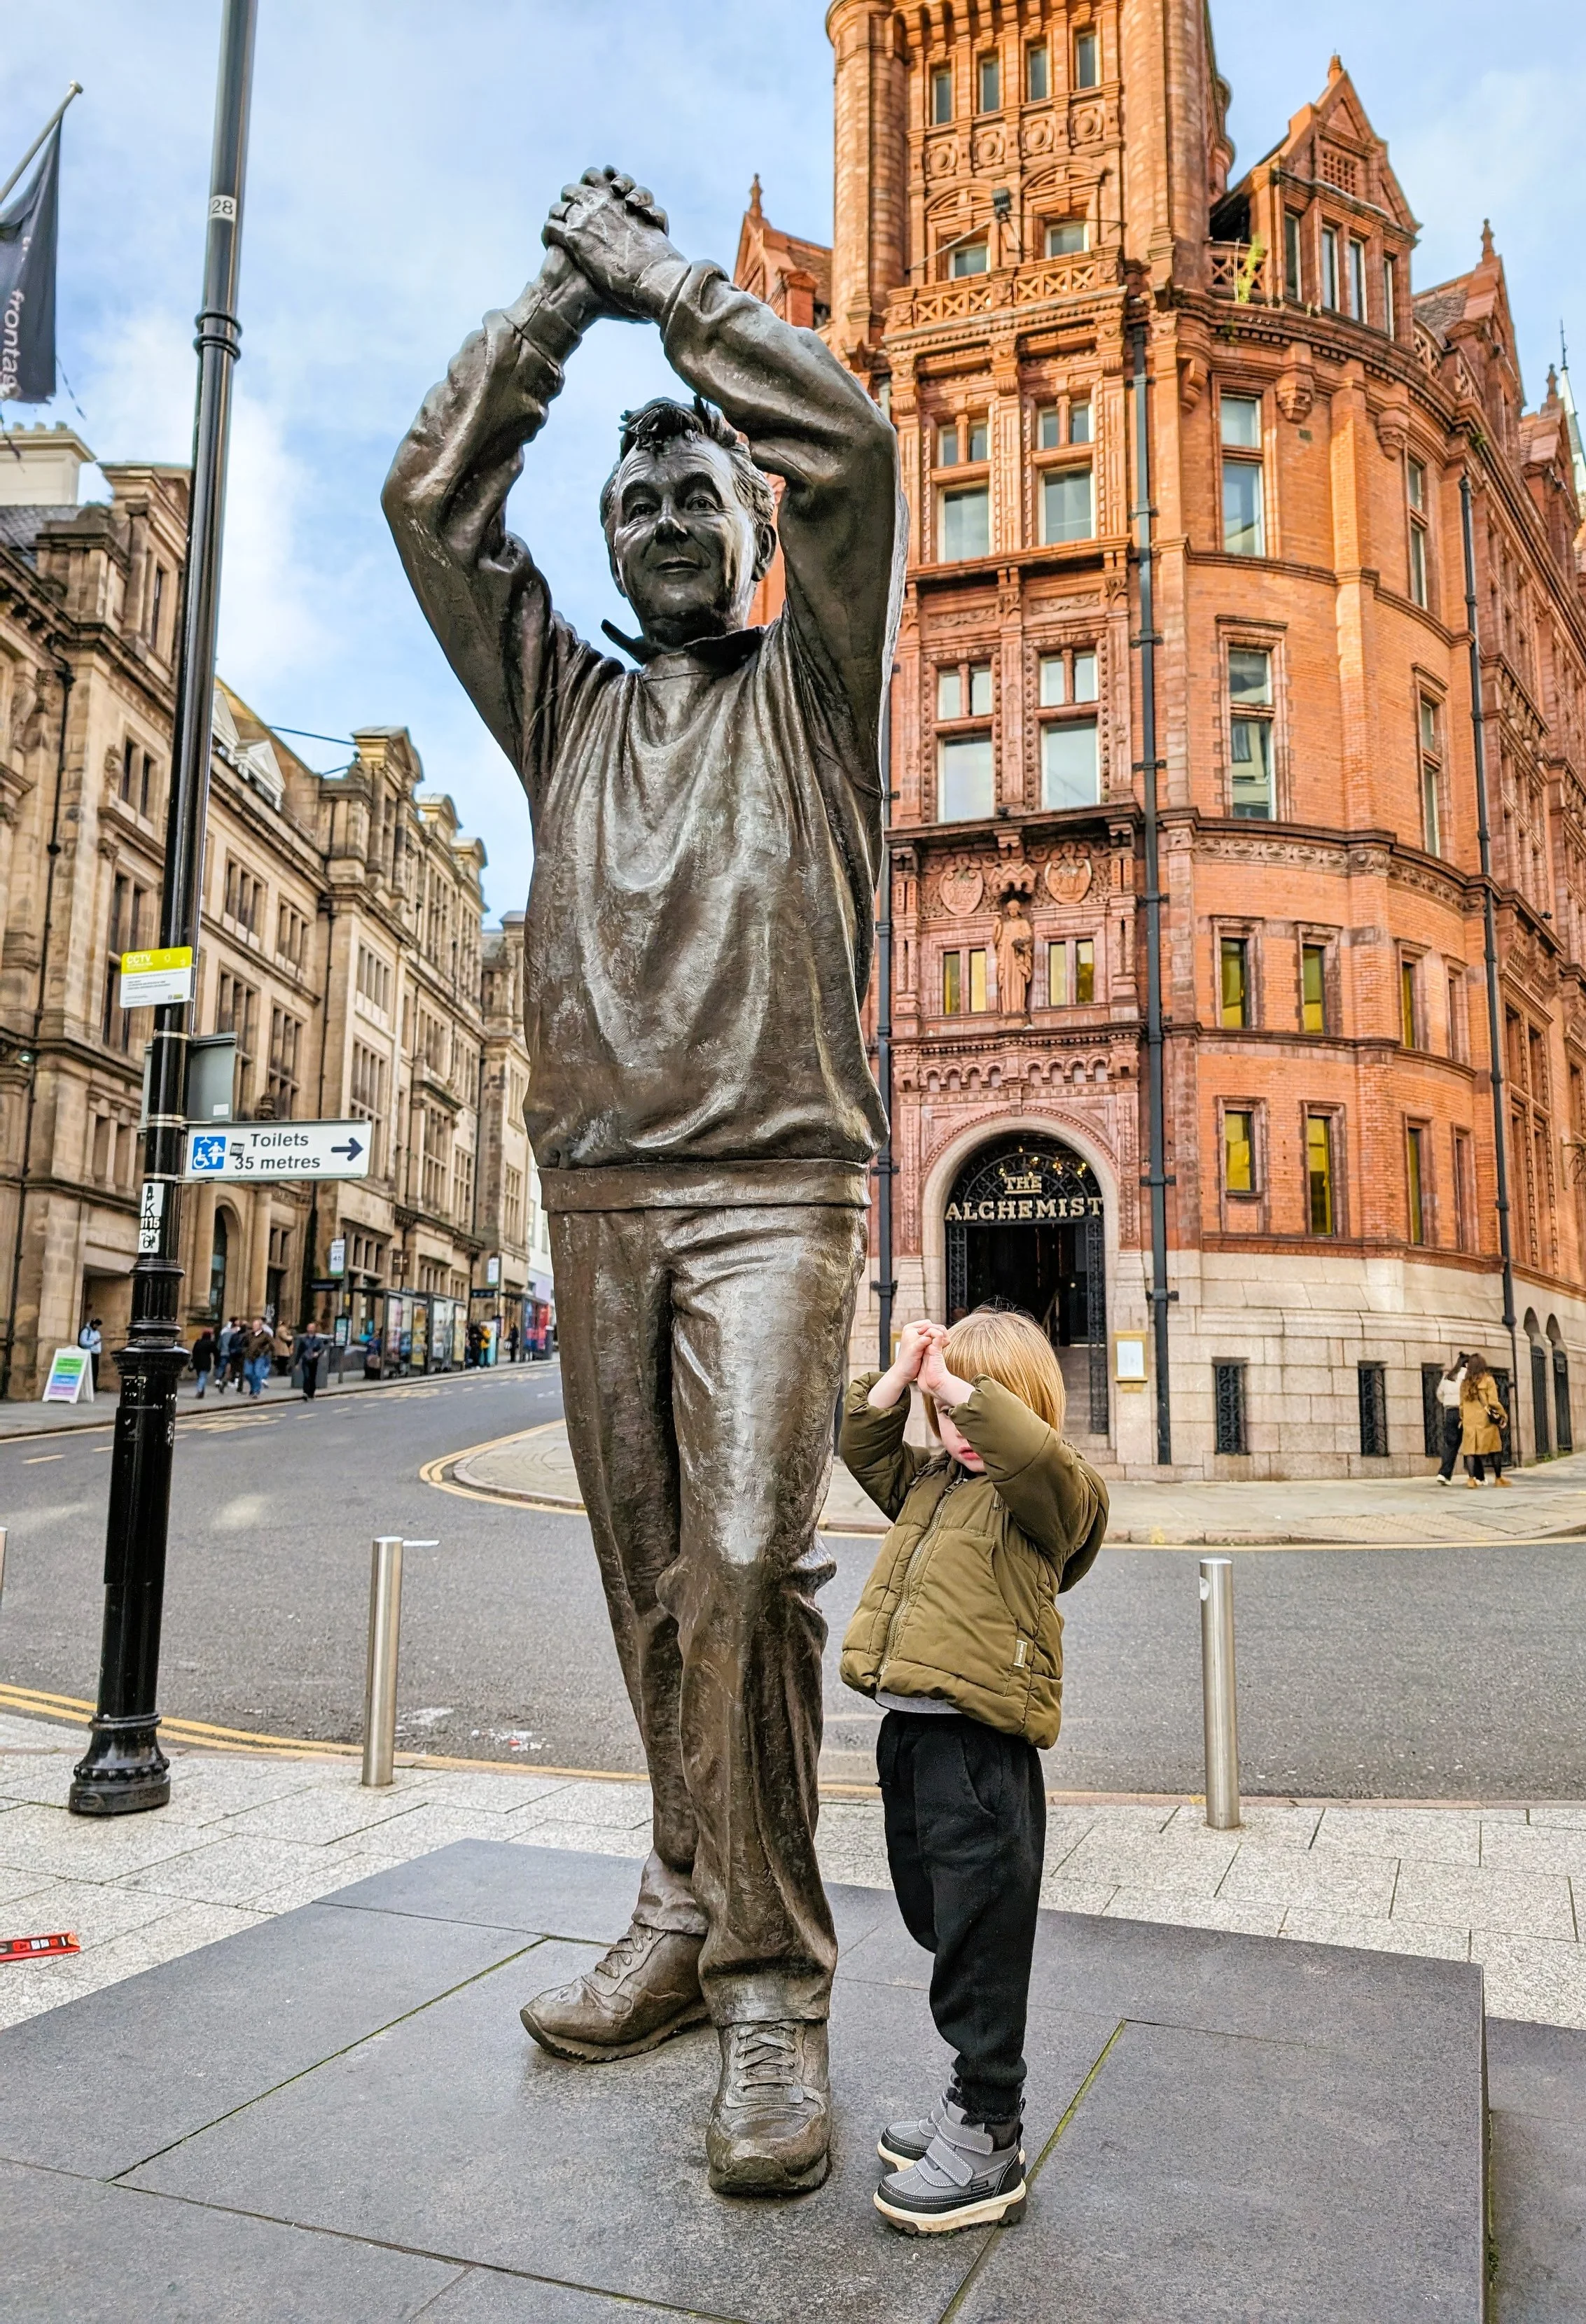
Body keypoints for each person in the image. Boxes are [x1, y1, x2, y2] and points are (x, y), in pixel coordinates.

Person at [384, 166, 901, 2195]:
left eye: (699, 495)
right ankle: (688, 1900)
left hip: (774, 1184)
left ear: (751, 531)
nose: (671, 520)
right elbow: (434, 507)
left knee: (751, 1556)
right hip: (592, 1193)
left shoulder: (816, 688)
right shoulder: (560, 708)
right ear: (604, 548)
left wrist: (662, 289)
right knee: (651, 1589)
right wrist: (542, 312)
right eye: (636, 507)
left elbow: (850, 443)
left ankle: (769, 1987)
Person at [838, 1309, 1107, 2234]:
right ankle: (964, 2104)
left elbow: (1039, 1465)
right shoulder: (934, 1482)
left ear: (1020, 1406)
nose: (953, 1421)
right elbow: (864, 1448)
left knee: (982, 1950)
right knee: (939, 1923)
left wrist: (959, 1386)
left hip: (980, 1750)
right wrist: (903, 1375)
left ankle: (989, 2136)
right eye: (942, 1405)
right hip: (910, 1734)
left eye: (975, 1402)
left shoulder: (1053, 1498)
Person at [1460, 1352, 1510, 1486]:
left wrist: (1463, 1418)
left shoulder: (1465, 1383)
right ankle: (1498, 1478)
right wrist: (1503, 1414)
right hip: (1485, 1421)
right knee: (1495, 1448)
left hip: (1469, 1421)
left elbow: (1461, 1405)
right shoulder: (1488, 1380)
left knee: (1470, 1450)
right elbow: (1493, 1402)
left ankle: (1471, 1480)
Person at [1434, 1354, 1466, 1484]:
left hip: (1449, 1412)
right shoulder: (1466, 1376)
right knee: (1470, 1444)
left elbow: (1439, 1393)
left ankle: (1444, 1474)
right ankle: (1476, 1475)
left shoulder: (1448, 1376)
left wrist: (1446, 1402)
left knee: (1450, 1444)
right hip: (1463, 1411)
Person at [242, 1319, 274, 1399]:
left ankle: (256, 1391)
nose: (254, 1327)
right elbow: (244, 1344)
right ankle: (253, 1388)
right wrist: (245, 1351)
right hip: (249, 1356)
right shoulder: (250, 1334)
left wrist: (263, 1351)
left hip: (260, 1357)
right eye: (253, 1325)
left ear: (260, 1326)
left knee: (257, 1374)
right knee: (248, 1373)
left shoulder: (266, 1335)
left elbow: (271, 1345)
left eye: (256, 1325)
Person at [292, 1323, 323, 1401]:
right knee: (306, 1376)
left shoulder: (318, 1340)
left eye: (312, 1328)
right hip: (306, 1360)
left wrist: (318, 1353)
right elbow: (299, 1351)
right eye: (309, 1327)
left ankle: (312, 1393)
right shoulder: (303, 1339)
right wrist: (297, 1363)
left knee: (312, 1377)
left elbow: (322, 1349)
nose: (310, 1329)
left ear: (315, 1329)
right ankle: (305, 1393)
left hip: (314, 1361)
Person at [189, 1326, 216, 1398]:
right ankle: (200, 1390)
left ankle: (202, 1393)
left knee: (200, 1377)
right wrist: (217, 1362)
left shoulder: (198, 1342)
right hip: (206, 1363)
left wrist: (193, 1361)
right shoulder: (210, 1343)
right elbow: (216, 1352)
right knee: (203, 1377)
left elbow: (194, 1352)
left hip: (197, 1363)